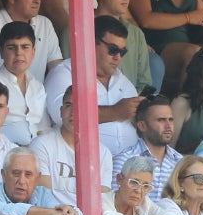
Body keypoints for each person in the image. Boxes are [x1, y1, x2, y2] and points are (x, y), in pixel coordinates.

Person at [44, 16, 142, 156]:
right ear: (91, 43)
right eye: (113, 50)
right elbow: (62, 116)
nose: (118, 57)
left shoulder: (124, 81)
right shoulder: (65, 73)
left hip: (129, 164)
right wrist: (115, 112)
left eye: (122, 52)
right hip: (82, 162)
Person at [32, 87, 115, 209]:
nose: (73, 112)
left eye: (81, 106)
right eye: (68, 105)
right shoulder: (42, 144)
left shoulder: (103, 153)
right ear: (61, 111)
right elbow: (44, 195)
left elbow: (102, 200)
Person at [94, 0, 157, 94]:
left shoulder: (136, 34)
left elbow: (144, 83)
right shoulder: (76, 31)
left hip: (130, 108)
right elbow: (69, 75)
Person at [0, 151, 85, 215]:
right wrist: (51, 213)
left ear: (38, 178)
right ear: (3, 175)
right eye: (16, 173)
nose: (22, 181)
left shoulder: (43, 193)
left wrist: (69, 212)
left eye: (28, 174)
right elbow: (9, 209)